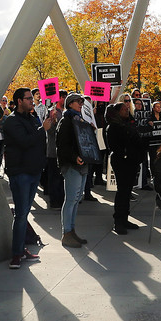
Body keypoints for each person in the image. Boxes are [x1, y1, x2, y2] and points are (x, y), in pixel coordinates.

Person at [1, 88, 51, 269]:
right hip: (20, 172)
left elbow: (37, 141)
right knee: (21, 214)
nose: (32, 100)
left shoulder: (31, 118)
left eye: (32, 98)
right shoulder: (11, 121)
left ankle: (21, 249)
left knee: (24, 213)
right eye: (29, 98)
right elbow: (25, 141)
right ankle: (17, 253)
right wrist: (42, 129)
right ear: (19, 101)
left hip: (33, 171)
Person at [56, 92, 96, 248]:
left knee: (76, 200)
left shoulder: (79, 120)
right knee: (71, 200)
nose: (81, 103)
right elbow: (62, 145)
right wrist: (74, 158)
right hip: (73, 165)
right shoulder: (66, 121)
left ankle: (71, 231)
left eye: (81, 101)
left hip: (82, 164)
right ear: (70, 103)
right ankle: (66, 232)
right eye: (78, 101)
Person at [103, 98, 143, 235]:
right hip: (122, 161)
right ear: (117, 112)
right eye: (124, 109)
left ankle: (125, 218)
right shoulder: (113, 127)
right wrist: (127, 152)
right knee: (122, 191)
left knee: (127, 192)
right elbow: (115, 146)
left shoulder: (129, 123)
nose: (127, 110)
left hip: (131, 161)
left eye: (127, 109)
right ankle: (118, 221)